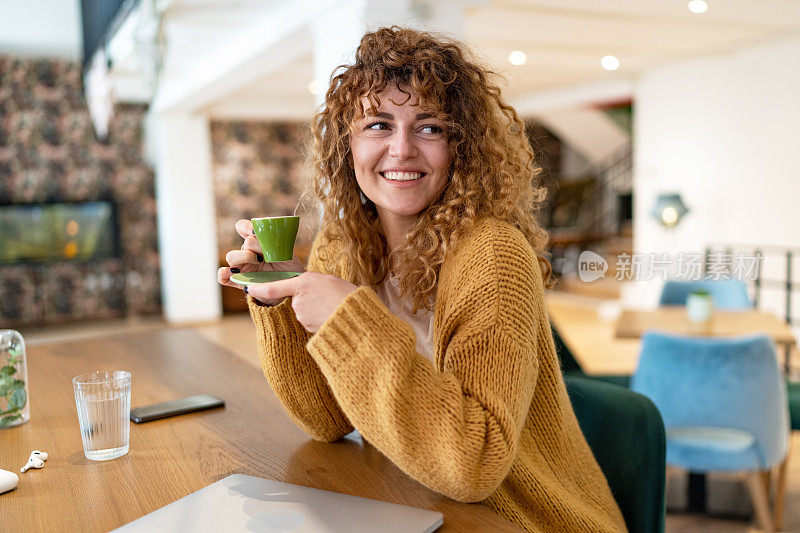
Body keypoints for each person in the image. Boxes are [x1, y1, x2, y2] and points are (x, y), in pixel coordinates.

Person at [218, 26, 626, 533]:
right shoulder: (341, 246)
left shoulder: (494, 257)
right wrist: (279, 302)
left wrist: (349, 318)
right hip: (415, 502)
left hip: (527, 520)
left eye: (429, 127)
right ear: (347, 145)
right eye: (378, 125)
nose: (402, 149)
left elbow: (475, 464)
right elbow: (326, 420)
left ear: (463, 148)